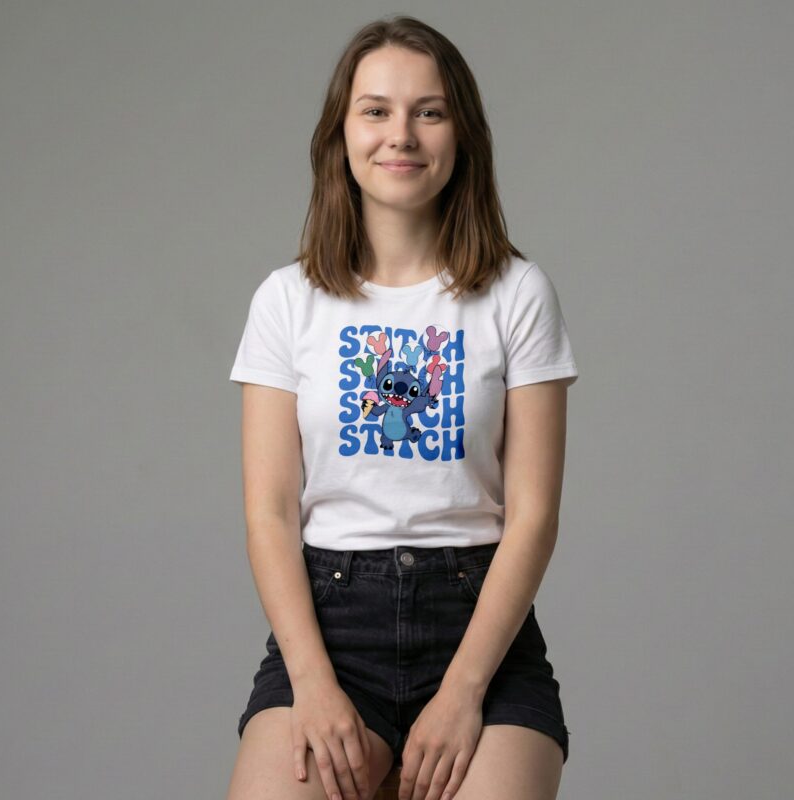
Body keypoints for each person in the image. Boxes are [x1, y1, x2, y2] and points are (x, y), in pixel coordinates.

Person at [225, 15, 579, 800]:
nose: (402, 135)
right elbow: (270, 513)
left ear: (462, 134)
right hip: (328, 632)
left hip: (481, 630)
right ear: (341, 134)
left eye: (430, 111)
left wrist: (462, 692)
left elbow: (533, 516)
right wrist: (313, 685)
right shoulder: (286, 301)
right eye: (376, 110)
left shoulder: (518, 294)